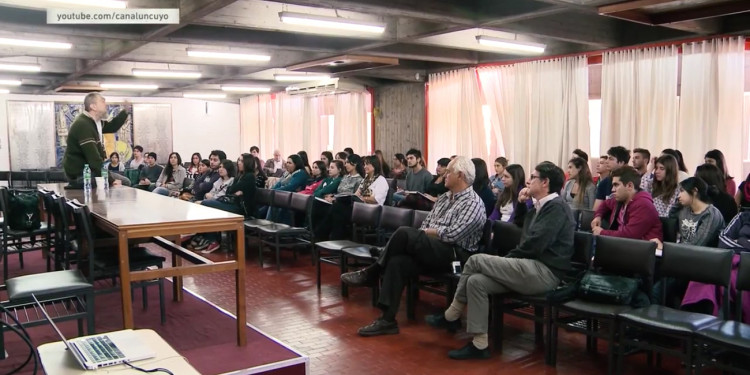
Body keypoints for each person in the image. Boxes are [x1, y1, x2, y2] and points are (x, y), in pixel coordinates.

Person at [427, 161, 574, 359]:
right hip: (529, 267)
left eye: (533, 178)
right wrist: (521, 205)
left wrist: (508, 259)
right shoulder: (541, 206)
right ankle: (480, 345)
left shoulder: (556, 208)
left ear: (545, 182)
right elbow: (522, 227)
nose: (528, 182)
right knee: (476, 282)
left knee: (475, 261)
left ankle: (451, 314)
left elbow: (535, 244)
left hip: (545, 273)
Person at [340, 156, 486, 337]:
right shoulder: (444, 198)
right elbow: (427, 225)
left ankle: (373, 271)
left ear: (461, 175)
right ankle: (387, 320)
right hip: (434, 247)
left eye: (448, 172)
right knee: (398, 262)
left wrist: (427, 232)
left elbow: (452, 235)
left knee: (404, 232)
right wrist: (429, 232)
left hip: (455, 254)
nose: (443, 175)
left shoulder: (473, 202)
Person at [62, 92, 129, 187]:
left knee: (124, 181)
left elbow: (112, 126)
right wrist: (110, 180)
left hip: (89, 172)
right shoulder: (83, 125)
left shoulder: (94, 122)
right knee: (124, 183)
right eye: (102, 101)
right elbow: (94, 159)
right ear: (93, 106)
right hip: (81, 175)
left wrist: (125, 112)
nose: (106, 104)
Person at [592, 166, 662, 241]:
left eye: (616, 185)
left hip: (643, 250)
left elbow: (629, 235)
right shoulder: (621, 199)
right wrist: (598, 216)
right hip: (624, 247)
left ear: (629, 186)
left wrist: (602, 232)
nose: (612, 189)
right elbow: (605, 204)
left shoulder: (644, 205)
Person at [593, 146, 630, 211]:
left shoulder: (631, 182)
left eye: (611, 159)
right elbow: (596, 210)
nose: (607, 162)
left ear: (621, 162)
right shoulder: (604, 183)